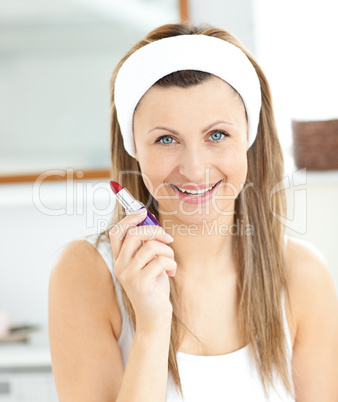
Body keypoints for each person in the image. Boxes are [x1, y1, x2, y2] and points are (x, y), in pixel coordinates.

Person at [48, 22, 338, 401]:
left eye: (217, 135)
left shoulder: (302, 276)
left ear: (249, 138)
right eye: (166, 139)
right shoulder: (87, 274)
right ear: (134, 147)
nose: (194, 168)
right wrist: (152, 326)